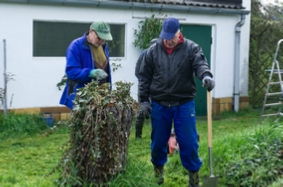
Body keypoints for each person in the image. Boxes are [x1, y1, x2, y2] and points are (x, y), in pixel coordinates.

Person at [138, 17, 215, 187]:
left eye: (171, 37)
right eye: (165, 37)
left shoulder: (191, 48)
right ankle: (158, 176)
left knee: (189, 142)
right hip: (160, 104)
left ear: (179, 33)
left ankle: (193, 180)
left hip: (184, 104)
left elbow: (200, 64)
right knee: (158, 143)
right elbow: (144, 78)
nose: (168, 41)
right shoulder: (153, 50)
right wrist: (144, 101)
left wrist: (206, 76)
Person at [59, 21, 113, 109]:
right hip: (81, 100)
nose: (101, 41)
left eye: (104, 39)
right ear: (91, 31)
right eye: (99, 38)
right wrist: (90, 73)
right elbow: (71, 72)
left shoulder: (103, 47)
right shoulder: (76, 46)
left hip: (102, 99)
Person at [135, 38, 158, 139]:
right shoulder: (144, 54)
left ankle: (156, 134)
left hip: (156, 86)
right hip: (144, 86)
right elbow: (137, 71)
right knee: (142, 109)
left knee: (156, 110)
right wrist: (143, 82)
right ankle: (138, 135)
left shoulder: (161, 55)